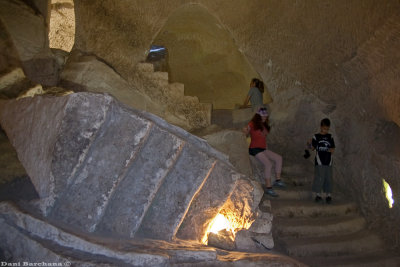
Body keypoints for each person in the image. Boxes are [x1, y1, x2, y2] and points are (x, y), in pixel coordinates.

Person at [243, 107, 285, 197]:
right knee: (268, 164)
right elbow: (246, 131)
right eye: (263, 116)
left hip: (262, 148)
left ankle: (278, 180)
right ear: (258, 116)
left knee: (279, 158)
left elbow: (263, 137)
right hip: (254, 148)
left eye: (266, 116)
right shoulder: (252, 124)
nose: (265, 118)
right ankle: (268, 187)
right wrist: (245, 131)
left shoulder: (264, 125)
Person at [310, 118, 336, 204]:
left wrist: (330, 150)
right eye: (324, 128)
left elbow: (333, 149)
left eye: (327, 129)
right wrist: (309, 144)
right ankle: (318, 194)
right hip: (319, 160)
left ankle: (328, 195)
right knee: (319, 177)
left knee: (328, 178)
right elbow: (312, 148)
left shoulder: (330, 136)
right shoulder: (316, 136)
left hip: (328, 161)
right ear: (321, 127)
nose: (325, 130)